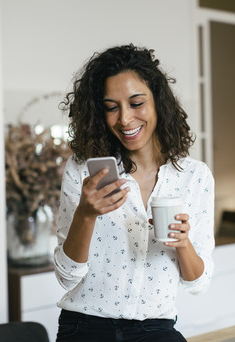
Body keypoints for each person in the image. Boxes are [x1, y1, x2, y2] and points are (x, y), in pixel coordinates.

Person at [54, 44, 215, 342]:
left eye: (136, 103)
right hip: (86, 326)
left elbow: (198, 282)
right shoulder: (83, 170)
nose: (125, 119)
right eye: (112, 107)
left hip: (155, 329)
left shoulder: (194, 176)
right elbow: (66, 276)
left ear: (158, 103)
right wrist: (85, 215)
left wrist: (182, 243)